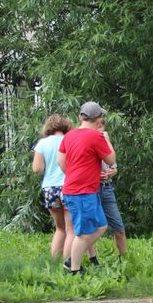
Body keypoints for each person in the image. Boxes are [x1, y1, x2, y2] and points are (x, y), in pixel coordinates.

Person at [57, 102, 117, 275]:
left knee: (101, 226)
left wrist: (76, 174)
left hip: (81, 190)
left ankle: (71, 260)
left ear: (81, 117)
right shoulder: (96, 137)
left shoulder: (69, 135)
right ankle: (74, 269)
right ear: (99, 119)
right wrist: (106, 139)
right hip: (81, 192)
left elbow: (61, 162)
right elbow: (111, 160)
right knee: (83, 233)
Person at [31, 114, 74, 258]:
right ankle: (68, 263)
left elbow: (37, 169)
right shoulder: (70, 140)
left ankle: (54, 261)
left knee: (60, 228)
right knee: (71, 229)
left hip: (49, 188)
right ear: (67, 127)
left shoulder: (42, 144)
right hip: (69, 187)